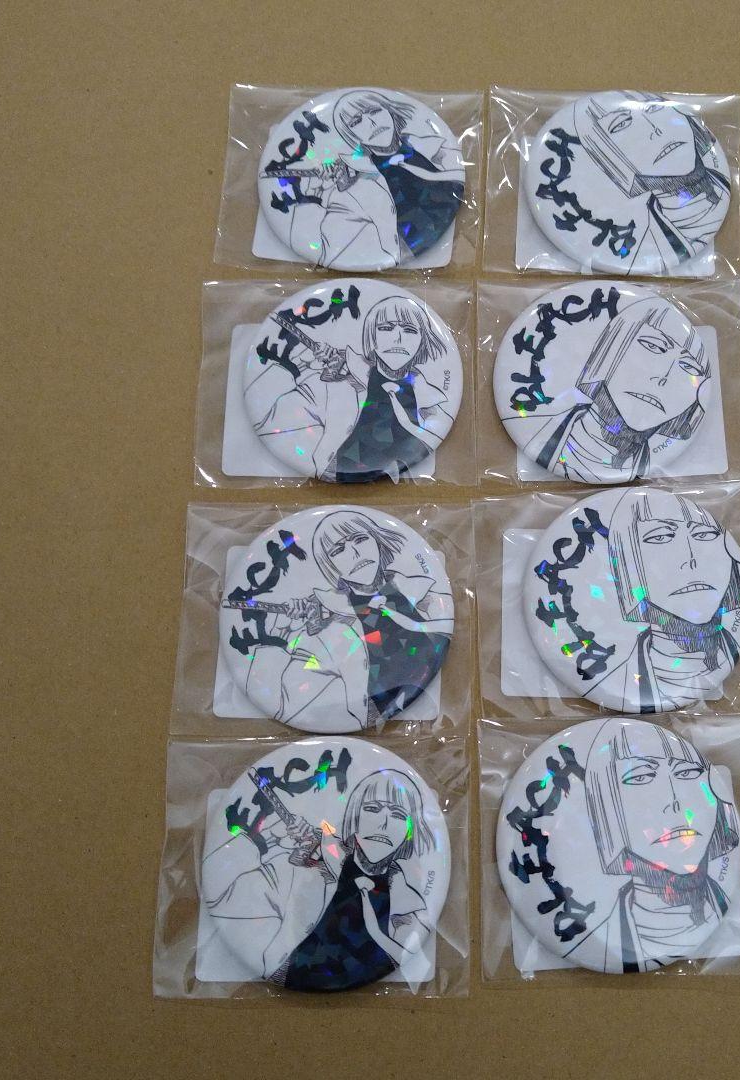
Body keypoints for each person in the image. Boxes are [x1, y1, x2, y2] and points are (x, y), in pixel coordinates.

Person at [203, 768, 435, 990]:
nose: (383, 824)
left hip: (367, 1006)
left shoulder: (409, 904)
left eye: (398, 814)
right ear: (354, 817)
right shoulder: (301, 872)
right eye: (372, 809)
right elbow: (218, 895)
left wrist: (376, 933)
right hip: (285, 996)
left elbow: (409, 957)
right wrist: (268, 838)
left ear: (410, 830)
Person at [242, 510, 452, 728]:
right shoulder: (326, 634)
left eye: (360, 539)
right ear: (329, 565)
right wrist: (277, 637)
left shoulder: (424, 594)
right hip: (383, 727)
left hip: (435, 707)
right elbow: (279, 705)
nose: (355, 552)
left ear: (377, 540)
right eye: (338, 549)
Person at [565, 719, 740, 973]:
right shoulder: (597, 945)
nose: (674, 801)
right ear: (607, 806)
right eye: (641, 777)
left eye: (687, 773)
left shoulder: (732, 916)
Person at [244, 294, 453, 482]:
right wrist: (297, 365)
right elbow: (265, 422)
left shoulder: (430, 397)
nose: (398, 338)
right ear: (372, 336)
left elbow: (433, 438)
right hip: (336, 480)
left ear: (422, 340)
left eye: (409, 330)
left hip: (395, 489)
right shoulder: (333, 385)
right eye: (386, 328)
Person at [505, 297, 709, 481]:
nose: (663, 377)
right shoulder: (529, 430)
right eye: (653, 346)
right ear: (612, 346)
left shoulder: (660, 459)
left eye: (688, 366)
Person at [589, 489, 740, 712]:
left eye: (704, 534)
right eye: (660, 537)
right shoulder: (613, 686)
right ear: (627, 561)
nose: (691, 558)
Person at [574, 92, 730, 271]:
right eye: (621, 124)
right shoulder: (646, 254)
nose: (655, 129)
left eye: (654, 108)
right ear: (608, 155)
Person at [332, 90, 465, 259]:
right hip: (409, 254)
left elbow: (459, 180)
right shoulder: (356, 181)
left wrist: (433, 176)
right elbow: (337, 241)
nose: (372, 122)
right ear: (350, 135)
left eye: (374, 111)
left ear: (390, 111)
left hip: (456, 238)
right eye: (356, 121)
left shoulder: (433, 147)